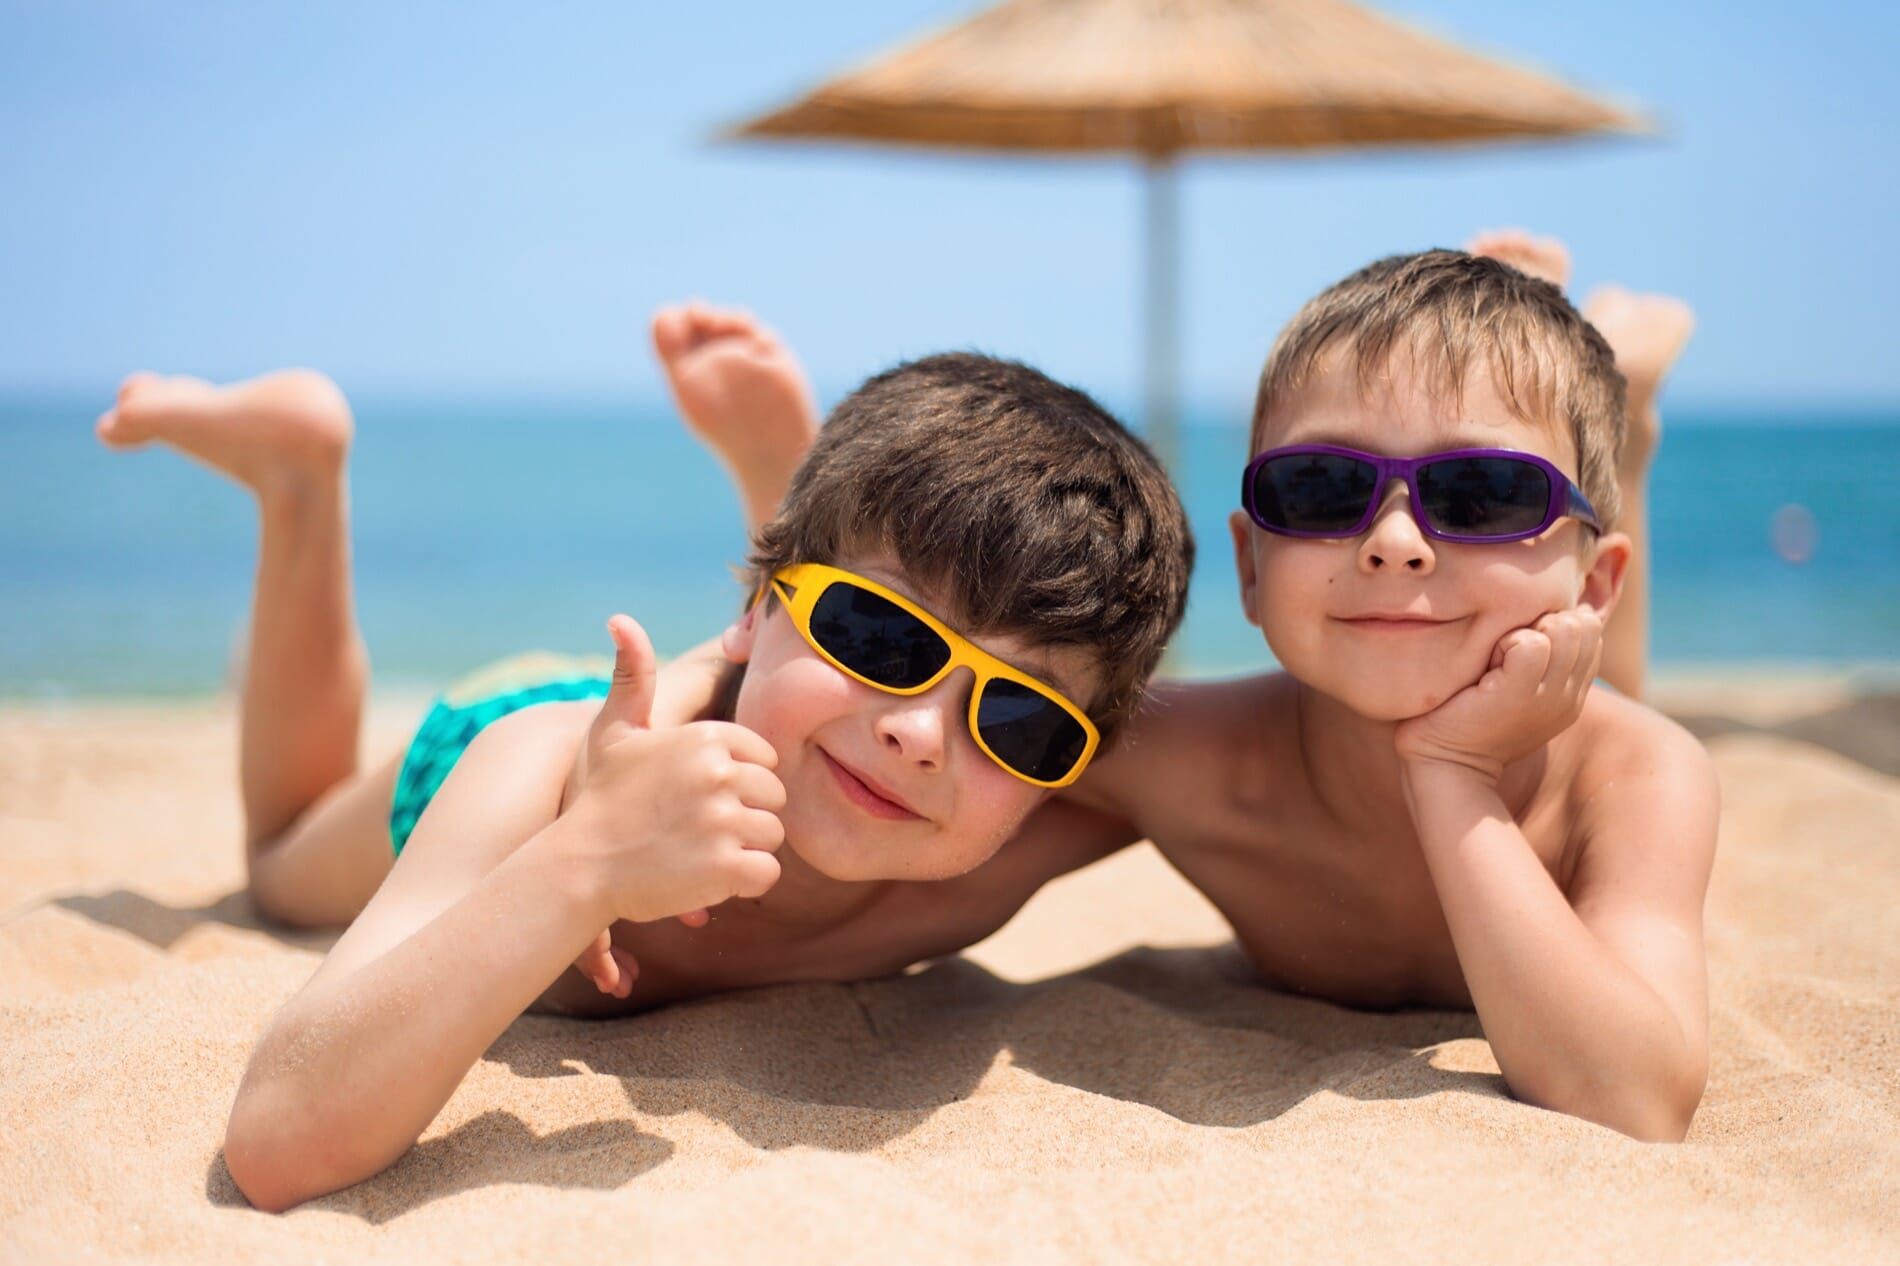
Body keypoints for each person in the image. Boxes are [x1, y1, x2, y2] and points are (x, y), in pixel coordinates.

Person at [95, 351, 1192, 1210]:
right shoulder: (530, 778)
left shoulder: (1026, 823)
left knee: (815, 698)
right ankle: (300, 478)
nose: (920, 735)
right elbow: (281, 1141)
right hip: (528, 733)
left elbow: (1284, 769)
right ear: (758, 607)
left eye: (1017, 715)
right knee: (283, 864)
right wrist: (583, 863)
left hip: (739, 694)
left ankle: (803, 530)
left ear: (1071, 767)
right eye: (877, 631)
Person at [674, 236, 1714, 1142]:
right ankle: (790, 497)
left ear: (1596, 575)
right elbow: (873, 739)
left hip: (1581, 693)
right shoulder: (1191, 758)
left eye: (1486, 494)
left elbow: (1634, 1104)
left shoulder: (1639, 776)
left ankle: (1625, 422)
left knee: (1605, 686)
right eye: (1321, 489)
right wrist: (673, 719)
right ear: (1252, 568)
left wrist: (1451, 771)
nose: (1395, 542)